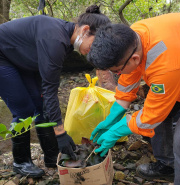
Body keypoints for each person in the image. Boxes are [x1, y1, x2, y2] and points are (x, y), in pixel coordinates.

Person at [87, 13, 180, 185]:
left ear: (135, 59)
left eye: (117, 71)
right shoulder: (133, 37)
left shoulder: (166, 65)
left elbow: (152, 115)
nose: (118, 75)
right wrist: (112, 118)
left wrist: (116, 131)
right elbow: (128, 80)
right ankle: (168, 166)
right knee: (161, 114)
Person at [0, 5, 110, 178]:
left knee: (41, 105)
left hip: (20, 59)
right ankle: (20, 162)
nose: (94, 51)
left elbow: (46, 87)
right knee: (23, 110)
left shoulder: (66, 40)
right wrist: (60, 133)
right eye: (95, 44)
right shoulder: (55, 39)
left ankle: (51, 156)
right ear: (85, 30)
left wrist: (58, 133)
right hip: (3, 57)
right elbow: (50, 89)